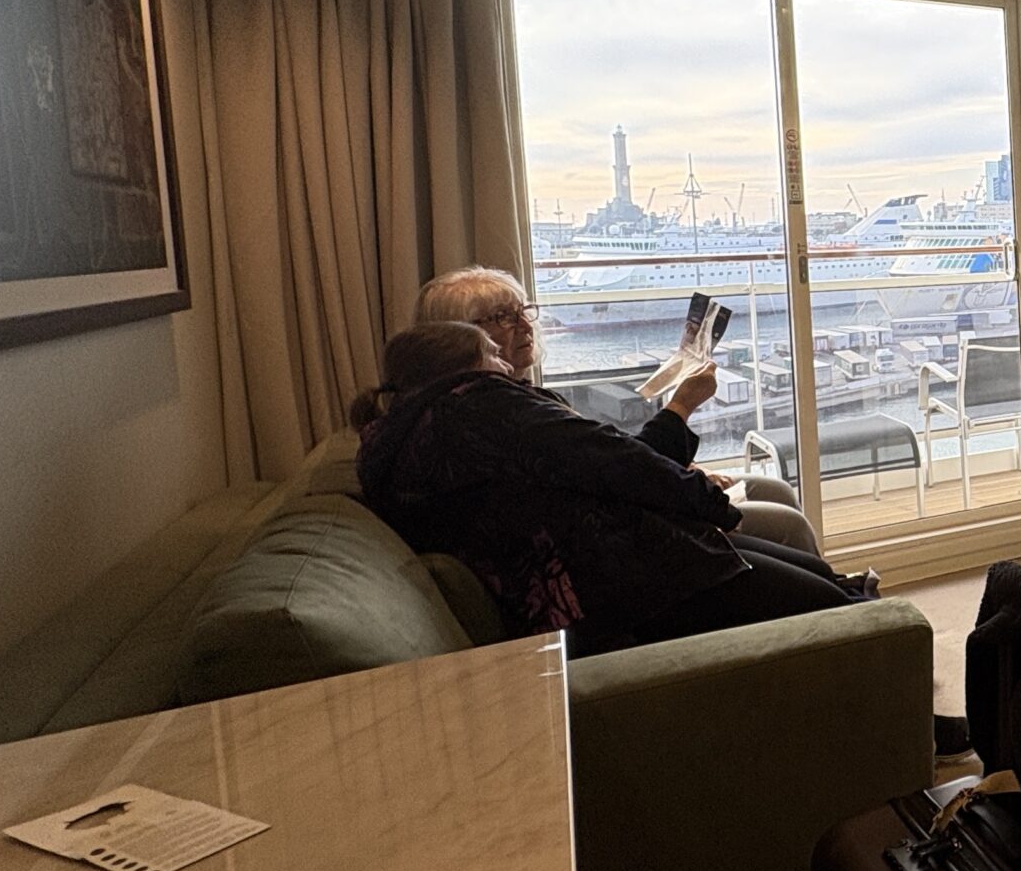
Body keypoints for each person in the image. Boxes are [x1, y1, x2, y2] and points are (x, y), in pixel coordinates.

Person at [352, 321, 967, 756]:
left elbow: (593, 468)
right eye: (493, 344)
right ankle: (913, 736)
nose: (508, 357)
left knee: (824, 582)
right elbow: (610, 457)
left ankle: (898, 708)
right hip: (627, 582)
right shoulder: (479, 404)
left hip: (610, 565)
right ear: (463, 365)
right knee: (840, 614)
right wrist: (704, 500)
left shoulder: (401, 439)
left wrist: (683, 460)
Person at [413, 266, 830, 562]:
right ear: (457, 337)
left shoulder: (509, 398)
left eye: (523, 311)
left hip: (621, 513)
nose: (524, 325)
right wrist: (682, 407)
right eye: (503, 318)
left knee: (773, 489)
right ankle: (836, 624)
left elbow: (606, 461)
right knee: (786, 523)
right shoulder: (506, 415)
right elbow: (620, 472)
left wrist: (684, 468)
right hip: (622, 536)